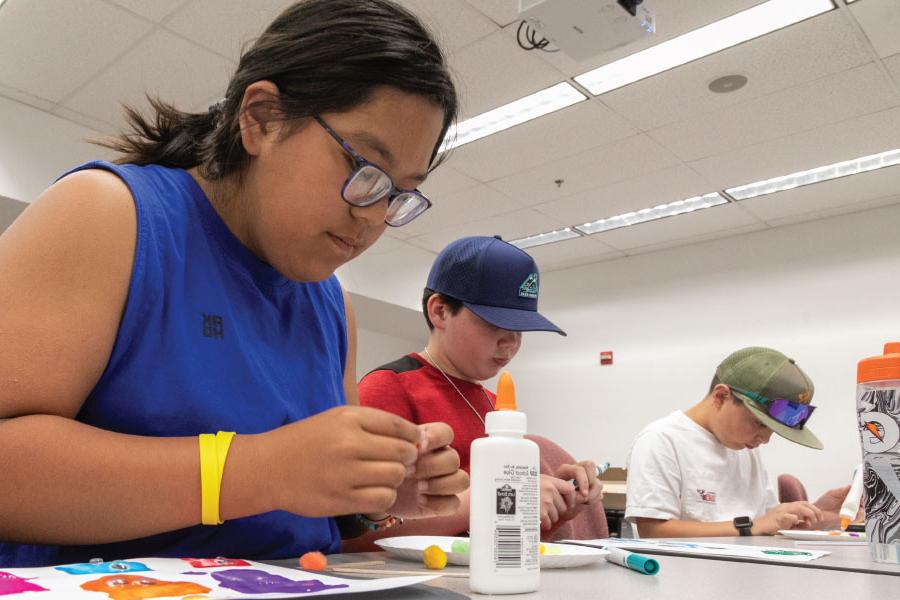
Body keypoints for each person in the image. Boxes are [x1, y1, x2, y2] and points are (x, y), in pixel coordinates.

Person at [0, 0, 469, 567]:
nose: (374, 215)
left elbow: (306, 511)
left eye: (397, 193)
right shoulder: (110, 214)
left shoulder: (330, 304)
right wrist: (259, 469)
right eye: (363, 169)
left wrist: (374, 493)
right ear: (262, 118)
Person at [349, 236, 604, 549]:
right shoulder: (389, 389)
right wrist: (496, 496)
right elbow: (359, 534)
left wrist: (563, 505)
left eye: (520, 329)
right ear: (440, 311)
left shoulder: (493, 404)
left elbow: (500, 532)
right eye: (494, 323)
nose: (511, 342)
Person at [625, 346, 855, 538]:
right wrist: (751, 527)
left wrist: (820, 514)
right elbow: (652, 531)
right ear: (721, 396)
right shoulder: (661, 441)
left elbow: (768, 523)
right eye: (759, 423)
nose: (764, 439)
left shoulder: (744, 448)